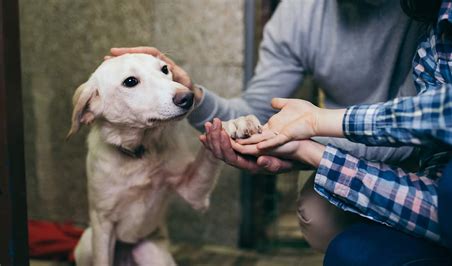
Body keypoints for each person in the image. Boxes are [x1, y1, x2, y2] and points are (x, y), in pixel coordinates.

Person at [110, 0, 426, 252]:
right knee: (318, 217)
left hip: (429, 149)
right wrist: (191, 95)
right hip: (345, 148)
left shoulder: (426, 11)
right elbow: (253, 110)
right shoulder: (298, 14)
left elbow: (419, 124)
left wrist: (305, 149)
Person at [227, 0, 452, 264]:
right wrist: (307, 151)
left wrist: (320, 123)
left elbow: (448, 115)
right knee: (346, 252)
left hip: (413, 155)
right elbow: (443, 205)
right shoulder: (442, 28)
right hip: (433, 177)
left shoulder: (415, 22)